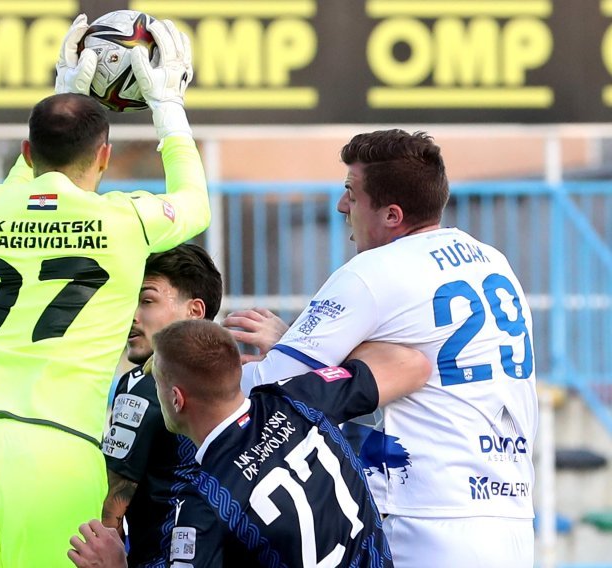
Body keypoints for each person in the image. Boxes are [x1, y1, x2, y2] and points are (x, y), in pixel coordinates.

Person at [0, 16, 210, 567]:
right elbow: (195, 203)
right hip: (56, 451)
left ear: (29, 153)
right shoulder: (126, 221)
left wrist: (68, 89)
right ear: (104, 157)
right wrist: (167, 103)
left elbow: (25, 175)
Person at [224, 130, 538, 567]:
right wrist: (297, 342)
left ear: (392, 215)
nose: (341, 207)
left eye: (351, 193)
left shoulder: (374, 270)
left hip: (426, 522)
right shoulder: (491, 259)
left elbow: (268, 388)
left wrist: (172, 377)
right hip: (512, 521)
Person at [70, 319, 430, 568]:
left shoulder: (203, 503)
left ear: (176, 399)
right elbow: (412, 363)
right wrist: (297, 347)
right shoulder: (299, 398)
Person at [101, 243, 223, 566]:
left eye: (147, 300)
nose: (133, 315)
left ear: (194, 312)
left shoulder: (146, 383)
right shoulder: (238, 377)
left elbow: (109, 511)